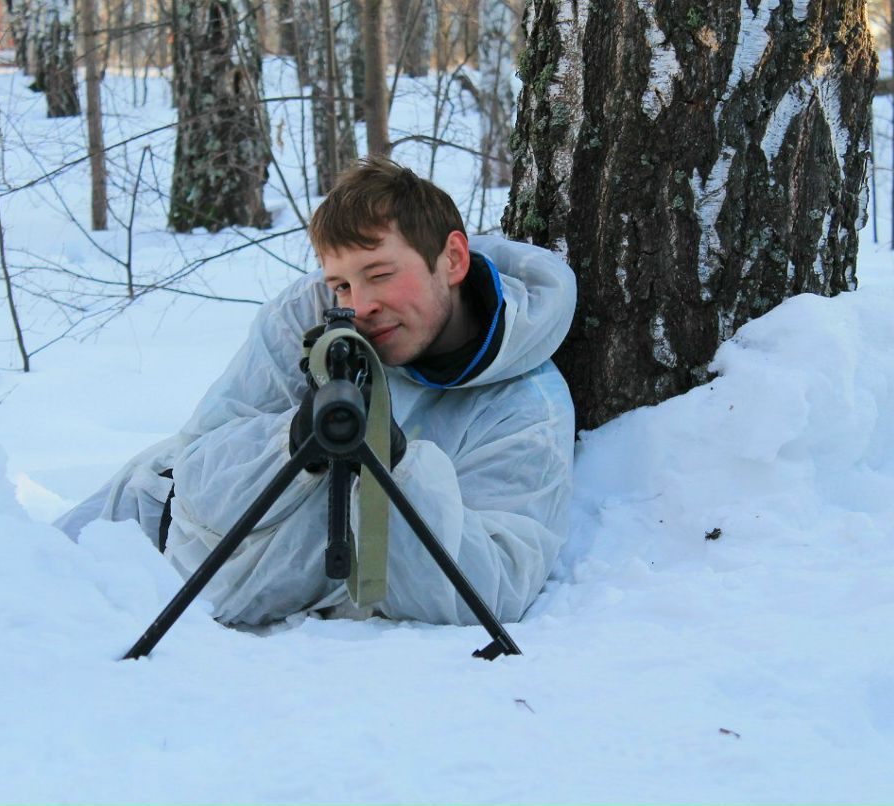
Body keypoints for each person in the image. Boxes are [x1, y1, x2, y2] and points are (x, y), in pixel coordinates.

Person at [55, 157, 576, 626]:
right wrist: (293, 441)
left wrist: (395, 469)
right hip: (137, 522)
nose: (360, 306)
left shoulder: (526, 408)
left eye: (380, 274)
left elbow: (491, 588)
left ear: (454, 259)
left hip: (224, 608)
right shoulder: (310, 314)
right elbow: (198, 467)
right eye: (342, 284)